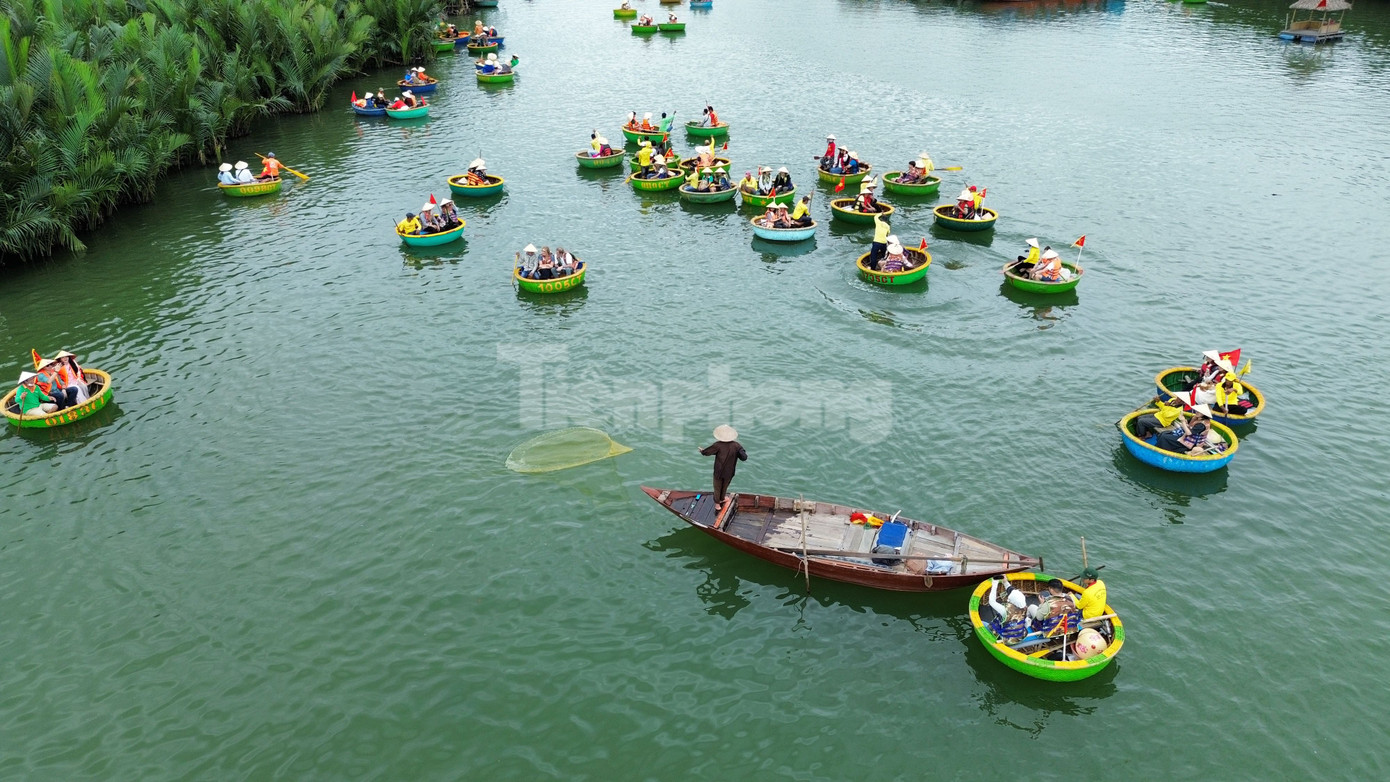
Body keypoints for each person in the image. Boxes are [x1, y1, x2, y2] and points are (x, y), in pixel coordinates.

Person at [700, 424, 747, 507]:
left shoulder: (717, 445)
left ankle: (717, 504)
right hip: (729, 471)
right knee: (725, 486)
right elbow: (744, 457)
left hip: (719, 471)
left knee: (717, 487)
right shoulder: (737, 445)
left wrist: (702, 451)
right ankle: (722, 498)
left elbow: (707, 452)